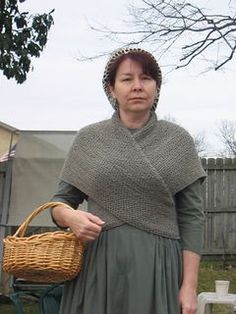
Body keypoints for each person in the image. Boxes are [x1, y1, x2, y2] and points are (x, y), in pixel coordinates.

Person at [51, 47, 206, 314]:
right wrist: (70, 218)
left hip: (159, 269)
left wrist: (189, 286)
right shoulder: (89, 139)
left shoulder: (179, 141)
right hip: (98, 267)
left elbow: (192, 217)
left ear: (156, 87)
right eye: (126, 79)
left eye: (145, 78)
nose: (137, 86)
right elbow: (58, 203)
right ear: (112, 89)